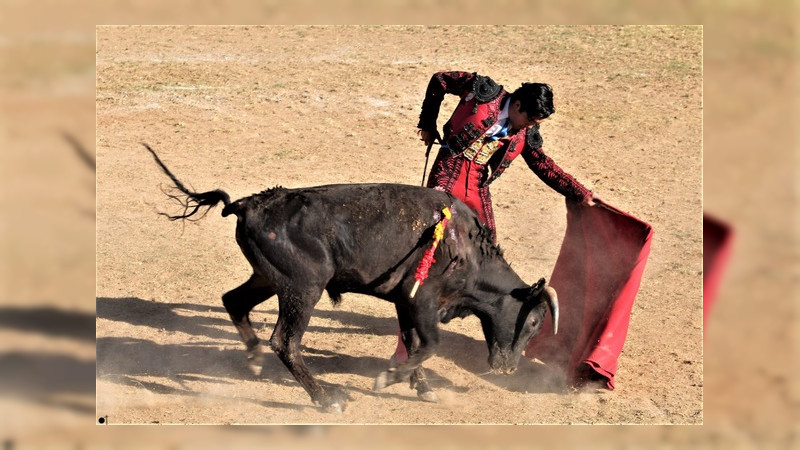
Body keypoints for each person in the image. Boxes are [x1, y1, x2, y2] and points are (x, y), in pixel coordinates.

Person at [392, 70, 600, 366]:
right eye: (529, 120)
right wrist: (427, 123)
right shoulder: (481, 92)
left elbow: (544, 165)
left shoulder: (524, 131)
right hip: (447, 177)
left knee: (488, 257)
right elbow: (439, 79)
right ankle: (406, 345)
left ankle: (485, 320)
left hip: (476, 185)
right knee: (431, 255)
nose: (528, 127)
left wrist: (580, 193)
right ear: (516, 106)